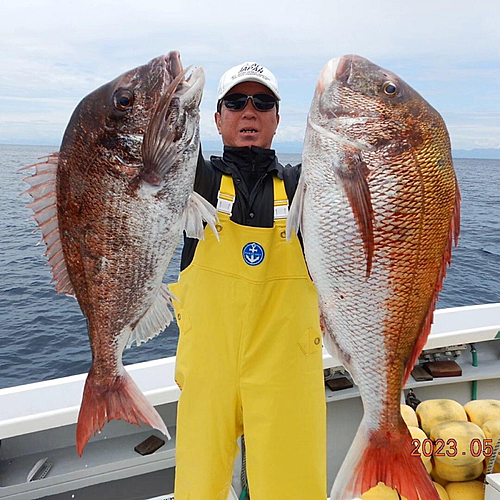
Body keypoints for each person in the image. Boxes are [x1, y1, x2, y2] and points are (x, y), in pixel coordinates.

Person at [169, 62, 327, 499]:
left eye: (263, 103)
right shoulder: (196, 184)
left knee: (293, 489)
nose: (250, 113)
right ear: (217, 118)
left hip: (287, 371)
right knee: (197, 489)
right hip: (208, 369)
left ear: (278, 118)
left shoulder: (304, 189)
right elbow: (153, 152)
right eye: (236, 103)